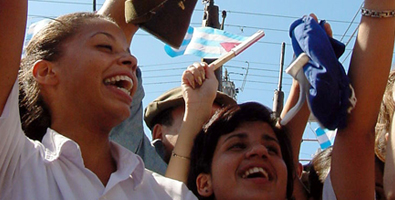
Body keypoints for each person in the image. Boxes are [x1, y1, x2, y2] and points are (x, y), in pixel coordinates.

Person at [0, 0, 198, 199]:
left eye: (127, 53)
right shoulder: (13, 163)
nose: (132, 61)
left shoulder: (171, 194)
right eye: (105, 46)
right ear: (46, 72)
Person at [140, 86, 236, 173]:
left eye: (220, 128)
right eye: (198, 122)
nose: (212, 135)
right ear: (159, 134)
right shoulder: (138, 176)